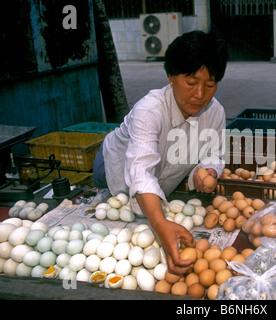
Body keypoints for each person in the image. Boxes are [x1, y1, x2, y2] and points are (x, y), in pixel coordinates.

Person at [92, 30, 228, 274]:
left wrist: (207, 170)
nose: (200, 95)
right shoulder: (150, 110)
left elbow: (215, 152)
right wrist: (160, 224)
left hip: (165, 176)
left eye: (209, 85)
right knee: (114, 211)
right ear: (171, 77)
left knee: (146, 217)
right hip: (116, 166)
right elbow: (141, 172)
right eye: (191, 82)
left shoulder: (215, 112)